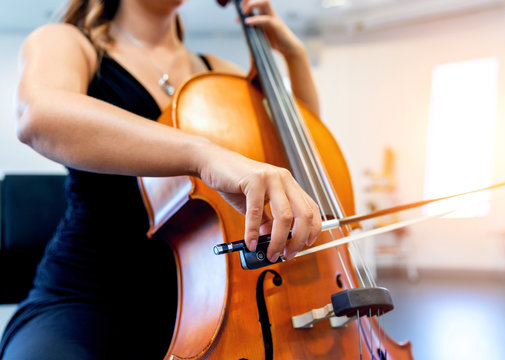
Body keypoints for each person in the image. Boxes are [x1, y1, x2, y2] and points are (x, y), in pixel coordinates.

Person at [0, 0, 322, 358]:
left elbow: (303, 155)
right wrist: (204, 154)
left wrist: (295, 57)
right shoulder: (70, 42)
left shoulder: (216, 72)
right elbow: (38, 115)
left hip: (210, 304)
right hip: (85, 303)